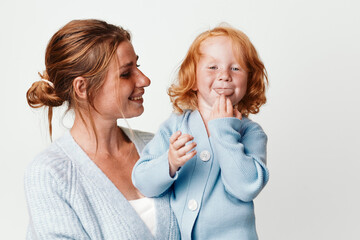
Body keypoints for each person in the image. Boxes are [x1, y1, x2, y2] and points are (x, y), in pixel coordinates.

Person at [25, 19, 180, 240]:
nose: (144, 80)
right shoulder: (50, 175)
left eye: (138, 66)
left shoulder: (162, 147)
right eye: (126, 73)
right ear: (82, 88)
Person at [132, 25, 269, 240]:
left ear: (249, 80)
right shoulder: (175, 125)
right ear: (193, 79)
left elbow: (246, 187)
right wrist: (169, 162)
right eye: (213, 67)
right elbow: (142, 182)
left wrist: (224, 131)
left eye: (236, 68)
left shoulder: (252, 133)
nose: (224, 76)